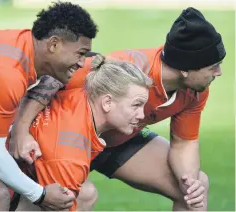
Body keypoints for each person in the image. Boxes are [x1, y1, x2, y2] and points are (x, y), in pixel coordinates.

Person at [10, 7, 226, 211]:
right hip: (69, 136)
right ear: (186, 69)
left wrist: (188, 181)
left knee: (195, 186)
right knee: (78, 196)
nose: (219, 73)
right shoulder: (124, 68)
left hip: (117, 137)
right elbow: (51, 78)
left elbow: (184, 142)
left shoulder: (195, 90)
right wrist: (21, 131)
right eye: (213, 66)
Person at [0, 1, 98, 210]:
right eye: (80, 53)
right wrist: (39, 194)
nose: (81, 63)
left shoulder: (21, 43)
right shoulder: (9, 72)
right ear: (53, 44)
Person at [10, 54, 152, 211]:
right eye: (136, 105)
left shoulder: (82, 94)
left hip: (8, 173)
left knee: (86, 193)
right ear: (107, 103)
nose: (142, 115)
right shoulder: (69, 155)